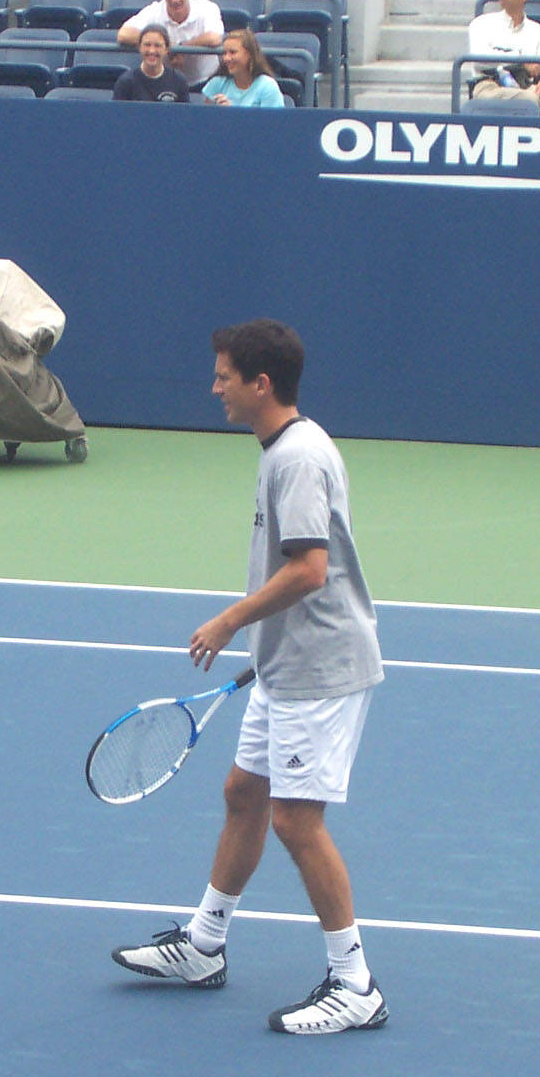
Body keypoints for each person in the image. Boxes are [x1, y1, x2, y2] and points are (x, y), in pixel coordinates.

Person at [112, 318, 388, 1036]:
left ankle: (355, 983)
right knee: (244, 794)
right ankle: (204, 946)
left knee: (296, 820)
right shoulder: (283, 450)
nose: (215, 387)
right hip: (287, 662)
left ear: (260, 384)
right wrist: (262, 642)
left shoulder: (296, 459)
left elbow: (308, 568)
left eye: (225, 375)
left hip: (319, 671)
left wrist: (234, 619)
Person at [115, 0, 224, 87]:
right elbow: (124, 34)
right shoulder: (154, 10)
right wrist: (169, 47)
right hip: (165, 83)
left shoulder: (207, 8)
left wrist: (182, 48)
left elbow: (215, 38)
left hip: (207, 82)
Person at [202, 29, 286, 108]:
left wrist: (232, 113)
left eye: (232, 52)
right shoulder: (217, 83)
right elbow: (205, 119)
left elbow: (273, 122)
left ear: (249, 54)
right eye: (224, 53)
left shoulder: (267, 86)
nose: (226, 58)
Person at [112, 23, 190, 102]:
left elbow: (185, 113)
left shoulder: (179, 81)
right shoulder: (126, 82)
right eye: (147, 45)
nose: (152, 51)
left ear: (166, 49)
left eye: (157, 45)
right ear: (139, 47)